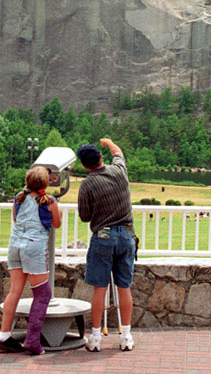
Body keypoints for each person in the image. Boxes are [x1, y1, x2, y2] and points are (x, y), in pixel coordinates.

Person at [0, 166, 61, 355]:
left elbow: (16, 218)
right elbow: (56, 223)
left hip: (15, 245)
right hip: (34, 247)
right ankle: (32, 341)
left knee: (14, 291)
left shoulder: (18, 197)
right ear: (46, 183)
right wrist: (57, 212)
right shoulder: (50, 201)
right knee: (43, 294)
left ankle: (4, 335)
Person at [78, 139, 136, 352]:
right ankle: (126, 336)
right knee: (124, 287)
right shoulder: (119, 171)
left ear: (83, 165)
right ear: (101, 158)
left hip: (103, 237)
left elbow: (84, 216)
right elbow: (119, 153)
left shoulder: (87, 184)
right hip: (127, 235)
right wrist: (109, 142)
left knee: (100, 289)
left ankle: (95, 338)